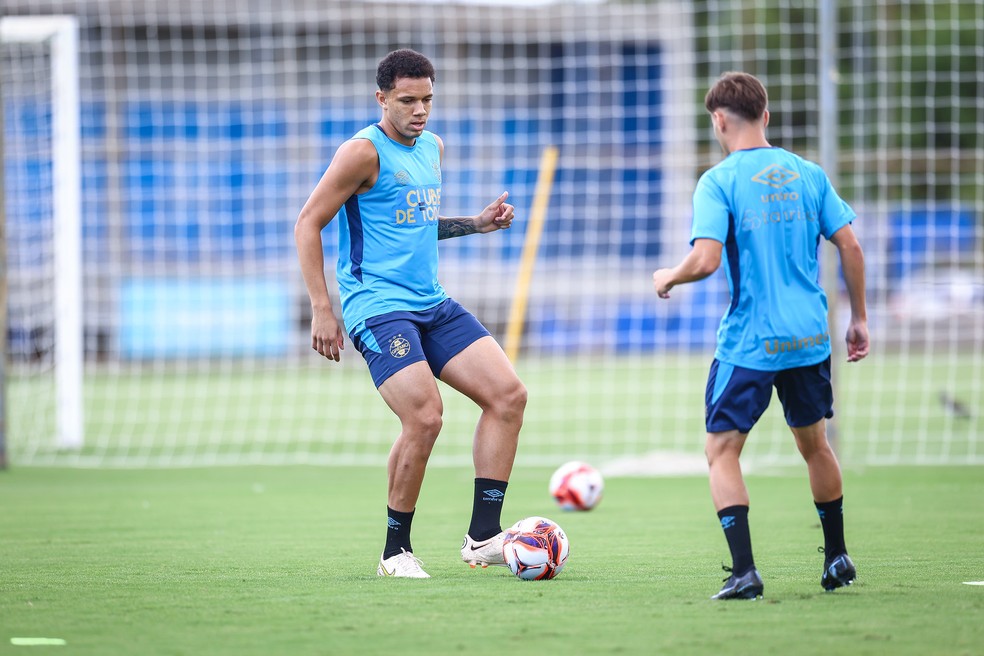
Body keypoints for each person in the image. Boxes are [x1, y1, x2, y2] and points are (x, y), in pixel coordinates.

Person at [295, 49, 527, 578]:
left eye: (427, 99)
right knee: (425, 416)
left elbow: (416, 222)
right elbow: (307, 223)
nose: (420, 110)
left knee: (508, 396)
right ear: (381, 99)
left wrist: (476, 224)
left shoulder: (432, 147)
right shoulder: (361, 153)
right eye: (407, 100)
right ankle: (394, 552)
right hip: (376, 306)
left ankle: (483, 537)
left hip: (431, 302)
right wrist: (321, 309)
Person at [651, 72, 869, 600]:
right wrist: (858, 318)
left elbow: (704, 261)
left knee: (721, 450)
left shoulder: (718, 180)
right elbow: (851, 247)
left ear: (719, 121)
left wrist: (669, 276)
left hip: (752, 340)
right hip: (809, 337)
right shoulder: (809, 173)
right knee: (815, 444)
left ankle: (744, 570)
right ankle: (837, 555)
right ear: (766, 116)